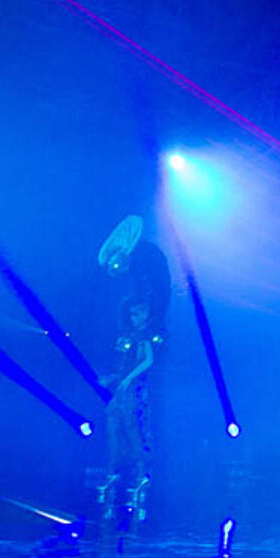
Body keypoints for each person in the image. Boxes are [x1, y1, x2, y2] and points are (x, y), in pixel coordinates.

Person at [96, 215, 169, 521]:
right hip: (123, 386)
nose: (136, 317)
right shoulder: (128, 335)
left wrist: (127, 380)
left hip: (135, 388)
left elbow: (149, 361)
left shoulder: (144, 334)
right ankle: (113, 474)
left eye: (140, 313)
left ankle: (141, 475)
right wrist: (114, 378)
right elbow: (124, 362)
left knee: (133, 429)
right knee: (114, 428)